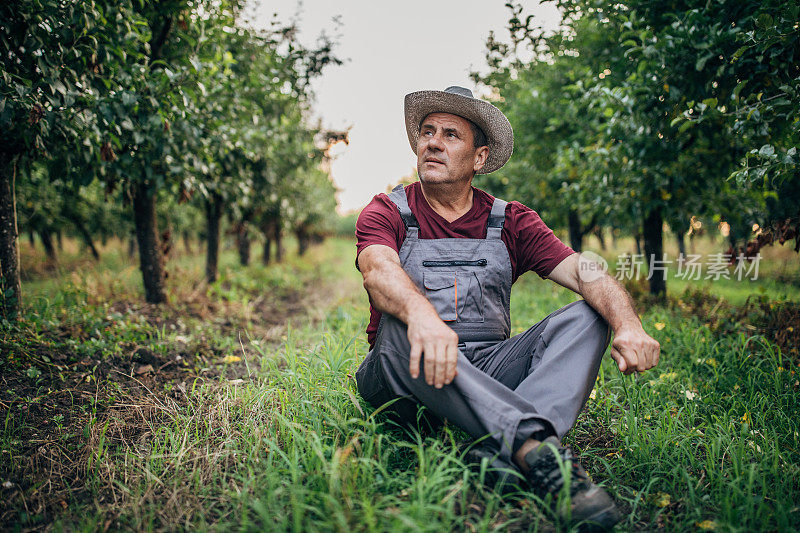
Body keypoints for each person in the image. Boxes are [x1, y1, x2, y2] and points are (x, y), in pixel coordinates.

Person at [354, 86, 660, 529]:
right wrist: (421, 315)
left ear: (479, 158)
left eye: (451, 135)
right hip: (405, 380)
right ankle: (536, 449)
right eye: (427, 132)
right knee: (398, 326)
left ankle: (501, 450)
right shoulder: (387, 210)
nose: (433, 142)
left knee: (590, 312)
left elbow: (584, 271)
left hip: (486, 368)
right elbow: (378, 270)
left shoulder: (511, 220)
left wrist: (627, 322)